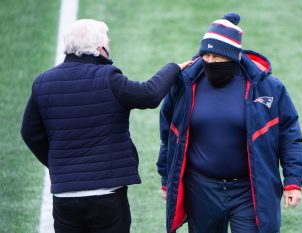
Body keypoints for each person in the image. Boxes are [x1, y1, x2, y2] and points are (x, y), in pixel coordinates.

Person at [20, 19, 192, 233]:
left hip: (65, 197)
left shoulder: (42, 82)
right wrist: (173, 68)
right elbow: (149, 95)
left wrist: (60, 165)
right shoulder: (109, 78)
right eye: (107, 43)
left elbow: (29, 132)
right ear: (99, 49)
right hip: (107, 195)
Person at [157, 12, 302, 233]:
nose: (210, 62)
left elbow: (289, 134)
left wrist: (293, 180)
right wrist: (166, 178)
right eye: (205, 55)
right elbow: (169, 136)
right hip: (201, 189)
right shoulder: (184, 85)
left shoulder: (268, 87)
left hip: (250, 188)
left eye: (217, 57)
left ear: (233, 57)